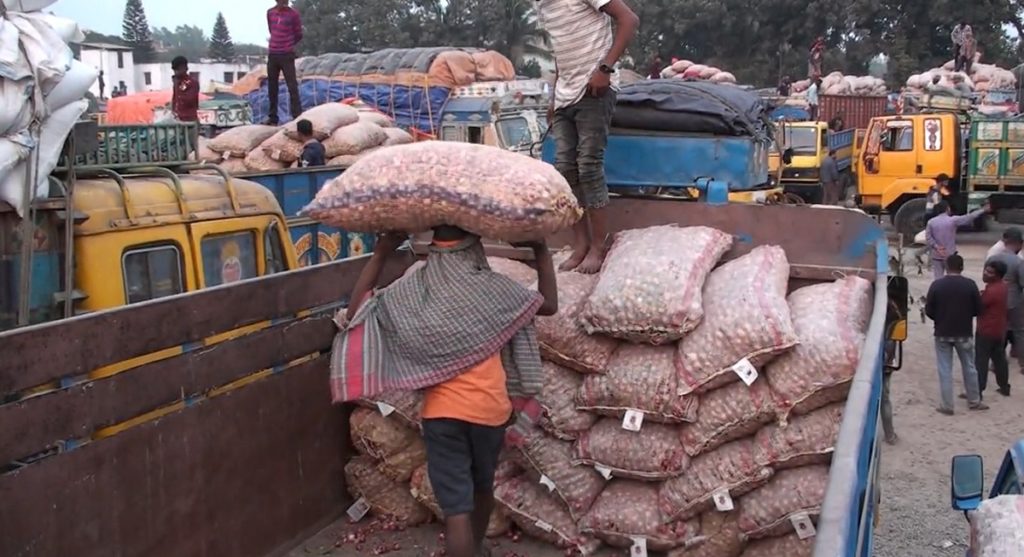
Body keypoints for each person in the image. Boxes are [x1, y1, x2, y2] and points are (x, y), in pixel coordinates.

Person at [331, 226, 558, 557]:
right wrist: (540, 249)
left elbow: (358, 312)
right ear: (474, 248)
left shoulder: (415, 292)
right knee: (482, 488)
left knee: (456, 509)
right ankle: (476, 549)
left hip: (442, 414)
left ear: (434, 251)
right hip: (491, 411)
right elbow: (548, 304)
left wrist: (381, 253)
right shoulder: (494, 289)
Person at [537, 0, 639, 274]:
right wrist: (554, 96)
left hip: (594, 90)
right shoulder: (543, 6)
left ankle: (598, 246)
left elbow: (629, 20)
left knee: (589, 167)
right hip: (565, 94)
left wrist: (605, 70)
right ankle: (580, 244)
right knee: (565, 171)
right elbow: (561, 51)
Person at [925, 254, 988, 414]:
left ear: (946, 267)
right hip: (964, 331)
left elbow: (929, 310)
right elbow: (979, 309)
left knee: (945, 369)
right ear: (962, 267)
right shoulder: (970, 285)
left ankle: (947, 405)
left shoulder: (937, 285)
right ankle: (974, 400)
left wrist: (939, 317)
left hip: (942, 331)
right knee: (970, 367)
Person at [986, 228, 1024, 376]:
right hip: (1014, 302)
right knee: (1019, 332)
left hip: (996, 300)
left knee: (999, 332)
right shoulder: (1018, 262)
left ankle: (996, 363)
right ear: (1018, 243)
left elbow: (986, 278)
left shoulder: (993, 259)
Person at [924, 200, 989, 280]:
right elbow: (969, 217)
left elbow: (928, 237)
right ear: (947, 209)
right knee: (952, 277)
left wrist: (936, 246)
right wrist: (982, 210)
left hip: (936, 254)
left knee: (938, 278)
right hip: (950, 254)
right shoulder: (953, 220)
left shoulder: (931, 222)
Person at [976, 259, 1011, 397]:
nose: (985, 273)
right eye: (986, 270)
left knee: (981, 361)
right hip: (999, 329)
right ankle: (1004, 386)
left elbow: (979, 306)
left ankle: (978, 390)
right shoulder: (1003, 287)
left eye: (990, 272)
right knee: (999, 359)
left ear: (997, 275)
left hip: (986, 329)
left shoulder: (992, 291)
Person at [266, 0, 304, 125]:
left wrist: (288, 44)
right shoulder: (270, 13)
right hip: (273, 53)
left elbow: (298, 34)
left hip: (287, 54)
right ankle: (273, 117)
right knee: (272, 87)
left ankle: (297, 115)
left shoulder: (293, 14)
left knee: (292, 86)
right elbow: (271, 30)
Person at [171, 56, 199, 123]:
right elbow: (175, 99)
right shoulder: (177, 83)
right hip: (177, 119)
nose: (176, 72)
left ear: (185, 68)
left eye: (178, 69)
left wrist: (177, 84)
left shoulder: (192, 82)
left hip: (189, 119)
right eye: (175, 70)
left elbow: (189, 100)